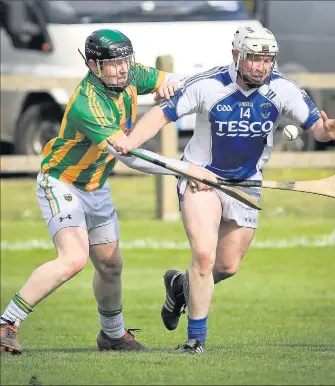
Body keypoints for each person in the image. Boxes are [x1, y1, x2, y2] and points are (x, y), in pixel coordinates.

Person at [107, 26, 335, 354]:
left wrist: (327, 131)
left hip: (247, 183)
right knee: (205, 256)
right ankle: (196, 339)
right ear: (236, 56)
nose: (261, 67)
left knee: (226, 266)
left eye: (267, 60)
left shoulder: (283, 89)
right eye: (253, 59)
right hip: (201, 178)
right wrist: (131, 141)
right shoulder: (209, 85)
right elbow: (161, 114)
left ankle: (180, 286)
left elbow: (317, 128)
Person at [0, 28, 209, 354]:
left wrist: (173, 85)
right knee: (73, 259)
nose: (123, 69)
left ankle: (111, 336)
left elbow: (181, 81)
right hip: (61, 182)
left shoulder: (129, 75)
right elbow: (130, 155)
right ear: (94, 66)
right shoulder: (89, 102)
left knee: (111, 265)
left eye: (126, 61)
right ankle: (7, 323)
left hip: (96, 186)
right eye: (113, 64)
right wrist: (184, 169)